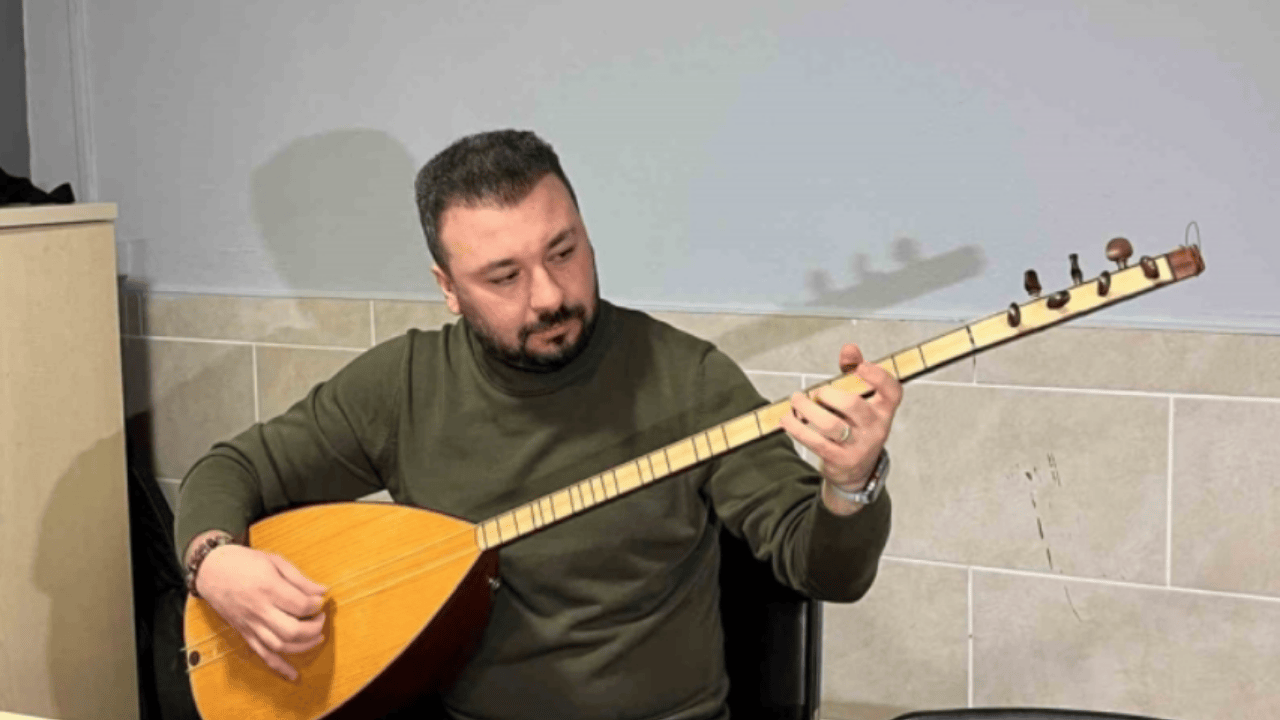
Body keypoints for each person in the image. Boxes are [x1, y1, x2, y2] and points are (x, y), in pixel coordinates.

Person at [176, 129, 901, 720]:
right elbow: (230, 470)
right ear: (448, 289)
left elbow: (827, 572)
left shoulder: (690, 377)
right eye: (505, 276)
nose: (550, 295)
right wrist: (214, 562)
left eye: (564, 251)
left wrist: (850, 485)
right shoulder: (402, 385)